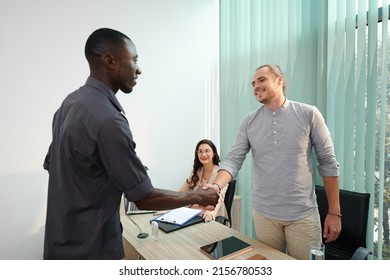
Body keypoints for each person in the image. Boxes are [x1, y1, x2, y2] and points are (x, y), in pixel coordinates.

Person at [42, 28, 219, 260]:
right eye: (134, 59)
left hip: (59, 246)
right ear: (110, 60)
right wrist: (199, 197)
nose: (139, 69)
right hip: (92, 251)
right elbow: (143, 197)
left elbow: (54, 164)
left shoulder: (68, 105)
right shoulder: (108, 120)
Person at [205, 64, 341, 260]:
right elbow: (233, 160)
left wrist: (335, 213)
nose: (256, 86)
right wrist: (216, 186)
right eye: (253, 83)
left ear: (280, 80)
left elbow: (328, 162)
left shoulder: (309, 114)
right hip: (264, 216)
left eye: (261, 80)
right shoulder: (249, 122)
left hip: (303, 215)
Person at [178, 139, 228, 222]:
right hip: (193, 212)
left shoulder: (221, 173)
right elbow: (183, 189)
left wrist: (210, 213)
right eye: (200, 151)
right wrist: (171, 201)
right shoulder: (197, 171)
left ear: (214, 153)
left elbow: (220, 197)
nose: (203, 154)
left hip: (210, 214)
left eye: (207, 151)